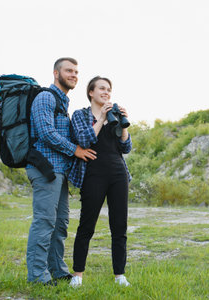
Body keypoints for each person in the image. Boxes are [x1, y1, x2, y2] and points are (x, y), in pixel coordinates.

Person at [25, 57, 97, 285]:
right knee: (45, 221)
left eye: (76, 71)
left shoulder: (63, 104)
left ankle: (57, 270)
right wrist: (74, 149)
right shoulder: (45, 97)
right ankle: (37, 276)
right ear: (56, 73)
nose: (74, 75)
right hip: (45, 169)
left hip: (59, 172)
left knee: (60, 223)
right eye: (69, 70)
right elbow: (46, 133)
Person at [68, 76, 132, 287]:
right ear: (91, 92)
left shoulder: (115, 114)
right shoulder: (80, 115)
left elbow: (126, 147)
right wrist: (102, 119)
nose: (106, 92)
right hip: (93, 175)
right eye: (102, 88)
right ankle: (78, 275)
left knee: (119, 226)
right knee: (86, 226)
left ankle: (119, 275)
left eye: (109, 89)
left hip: (118, 174)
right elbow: (84, 140)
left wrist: (124, 123)